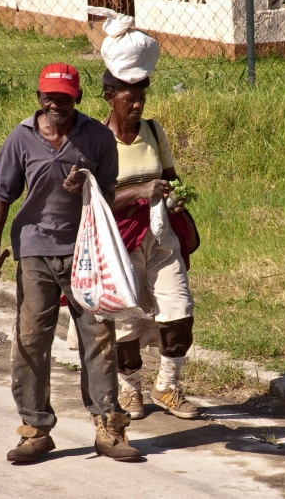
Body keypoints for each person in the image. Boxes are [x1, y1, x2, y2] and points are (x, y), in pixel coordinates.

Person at [0, 62, 141, 463]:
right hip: (34, 248)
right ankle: (35, 430)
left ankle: (108, 428)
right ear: (39, 98)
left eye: (64, 98)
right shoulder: (21, 138)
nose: (56, 104)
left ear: (78, 99)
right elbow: (2, 194)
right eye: (49, 97)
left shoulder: (98, 137)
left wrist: (85, 183)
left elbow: (107, 195)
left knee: (99, 337)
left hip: (85, 249)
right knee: (32, 338)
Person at [102, 69, 199, 421]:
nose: (138, 104)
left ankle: (167, 386)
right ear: (109, 96)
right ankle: (129, 389)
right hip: (120, 240)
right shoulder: (98, 141)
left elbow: (171, 179)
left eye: (142, 96)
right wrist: (138, 192)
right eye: (130, 98)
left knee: (179, 309)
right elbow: (94, 201)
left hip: (161, 234)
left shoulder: (154, 132)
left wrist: (177, 196)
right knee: (126, 319)